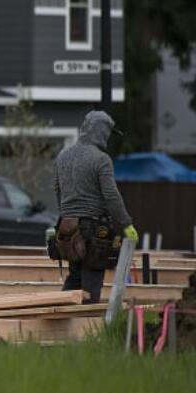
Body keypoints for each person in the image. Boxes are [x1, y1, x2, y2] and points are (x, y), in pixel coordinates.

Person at [52, 110, 137, 303]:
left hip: (67, 228)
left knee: (74, 276)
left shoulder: (62, 156)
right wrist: (126, 224)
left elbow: (58, 190)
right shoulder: (101, 159)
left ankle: (63, 321)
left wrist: (65, 216)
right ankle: (85, 325)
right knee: (91, 279)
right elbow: (111, 196)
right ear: (102, 132)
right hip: (94, 231)